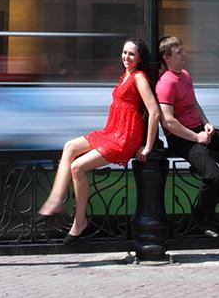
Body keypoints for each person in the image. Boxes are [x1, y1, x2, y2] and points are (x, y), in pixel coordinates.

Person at [35, 38, 162, 243]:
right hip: (112, 131)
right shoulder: (125, 76)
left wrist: (147, 147)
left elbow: (154, 112)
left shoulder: (138, 77)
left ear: (139, 58)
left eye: (131, 54)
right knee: (69, 146)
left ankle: (80, 221)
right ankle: (56, 200)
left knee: (77, 167)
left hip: (125, 137)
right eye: (124, 52)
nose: (126, 57)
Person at [156, 35, 219, 238]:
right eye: (179, 52)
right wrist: (197, 137)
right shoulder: (165, 84)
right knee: (212, 175)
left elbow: (195, 103)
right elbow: (168, 122)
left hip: (199, 128)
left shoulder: (184, 75)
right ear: (167, 57)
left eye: (183, 50)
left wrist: (207, 123)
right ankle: (201, 218)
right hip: (182, 137)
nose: (185, 54)